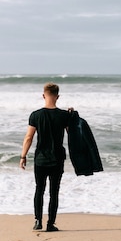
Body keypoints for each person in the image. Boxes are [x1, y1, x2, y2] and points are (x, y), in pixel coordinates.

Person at [20, 83, 72, 232]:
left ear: (44, 95)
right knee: (54, 192)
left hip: (41, 159)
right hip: (57, 159)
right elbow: (72, 135)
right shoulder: (64, 116)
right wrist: (71, 116)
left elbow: (29, 137)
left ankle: (38, 221)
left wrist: (23, 156)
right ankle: (50, 224)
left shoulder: (36, 115)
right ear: (58, 96)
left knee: (39, 190)